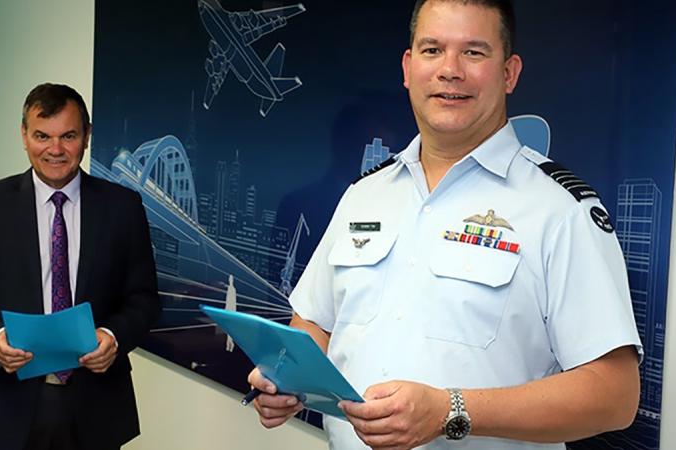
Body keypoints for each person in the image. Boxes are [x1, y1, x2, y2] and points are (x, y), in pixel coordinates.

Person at [247, 1, 642, 449]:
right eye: (433, 50)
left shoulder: (560, 209)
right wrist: (287, 380)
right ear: (408, 66)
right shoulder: (364, 195)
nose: (449, 70)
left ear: (509, 73)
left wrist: (451, 411)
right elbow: (315, 323)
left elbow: (614, 394)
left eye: (474, 52)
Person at [0, 83, 161, 450]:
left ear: (86, 136)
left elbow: (144, 299)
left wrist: (114, 337)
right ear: (24, 136)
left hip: (96, 407)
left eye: (68, 135)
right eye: (42, 135)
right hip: (1, 404)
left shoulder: (122, 207)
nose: (55, 150)